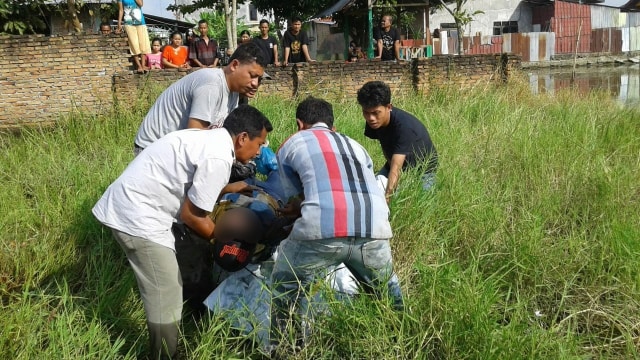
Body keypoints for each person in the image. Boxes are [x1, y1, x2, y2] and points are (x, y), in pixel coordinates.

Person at [92, 105, 272, 360]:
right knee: (167, 294)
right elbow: (192, 216)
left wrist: (226, 188)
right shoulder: (219, 157)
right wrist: (223, 241)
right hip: (139, 218)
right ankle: (166, 355)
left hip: (132, 205)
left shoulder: (208, 139)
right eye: (260, 144)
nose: (259, 152)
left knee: (168, 289)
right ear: (243, 137)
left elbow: (189, 187)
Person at [269, 97, 403, 353]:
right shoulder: (356, 145)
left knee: (286, 285)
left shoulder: (292, 143)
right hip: (374, 228)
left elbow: (295, 199)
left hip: (321, 231)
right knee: (386, 288)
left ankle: (285, 348)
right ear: (332, 125)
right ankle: (399, 340)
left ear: (300, 124)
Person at [133, 42, 268, 153]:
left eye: (259, 78)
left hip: (177, 150)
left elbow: (226, 133)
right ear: (234, 65)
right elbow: (196, 139)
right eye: (252, 75)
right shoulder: (211, 83)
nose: (255, 83)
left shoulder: (234, 92)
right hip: (153, 149)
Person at [356, 81, 438, 200]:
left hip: (424, 168)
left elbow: (396, 168)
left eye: (375, 113)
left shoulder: (404, 127)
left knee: (425, 202)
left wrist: (388, 198)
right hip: (394, 162)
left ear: (389, 107)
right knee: (371, 192)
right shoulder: (374, 122)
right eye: (366, 113)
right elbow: (384, 145)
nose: (371, 118)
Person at [116, 0, 150, 73]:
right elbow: (121, 10)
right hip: (129, 23)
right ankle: (139, 66)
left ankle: (143, 65)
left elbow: (141, 4)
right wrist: (119, 23)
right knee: (134, 44)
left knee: (143, 44)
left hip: (141, 22)